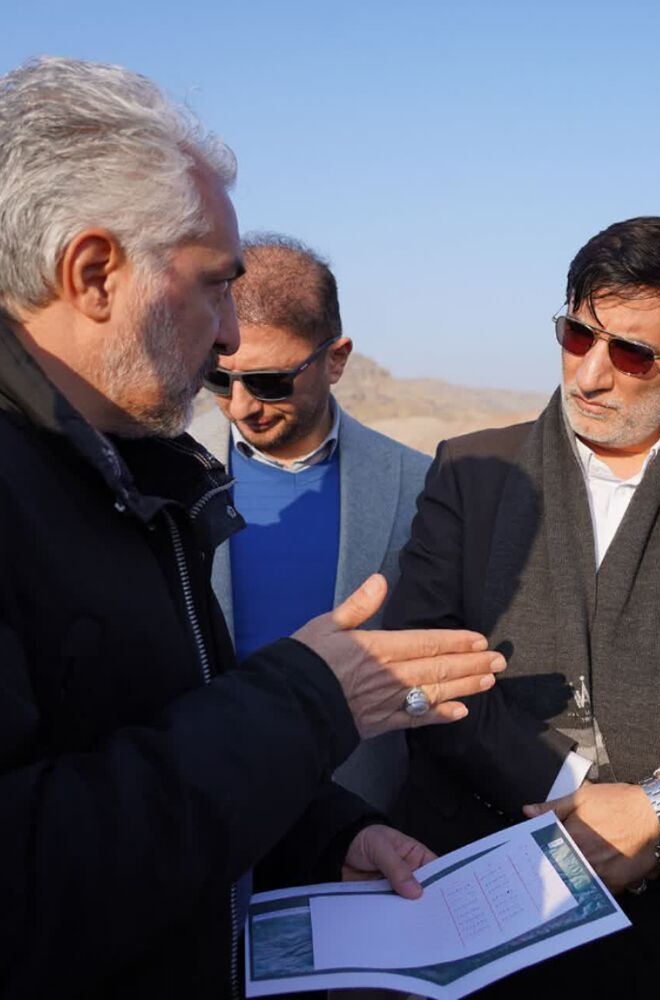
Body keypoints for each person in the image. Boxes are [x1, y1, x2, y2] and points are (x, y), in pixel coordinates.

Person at [0, 57, 504, 999]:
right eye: (212, 285)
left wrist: (324, 834)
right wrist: (309, 699)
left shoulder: (120, 468)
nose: (232, 336)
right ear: (93, 274)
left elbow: (148, 742)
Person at [384, 215, 660, 996]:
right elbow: (424, 660)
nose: (589, 376)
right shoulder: (471, 471)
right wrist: (581, 802)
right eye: (577, 335)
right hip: (491, 894)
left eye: (631, 354)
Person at [191, 234, 431, 810]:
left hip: (365, 815)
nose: (241, 406)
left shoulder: (421, 484)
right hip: (202, 802)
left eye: (270, 381)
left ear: (336, 359)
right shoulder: (160, 474)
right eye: (219, 379)